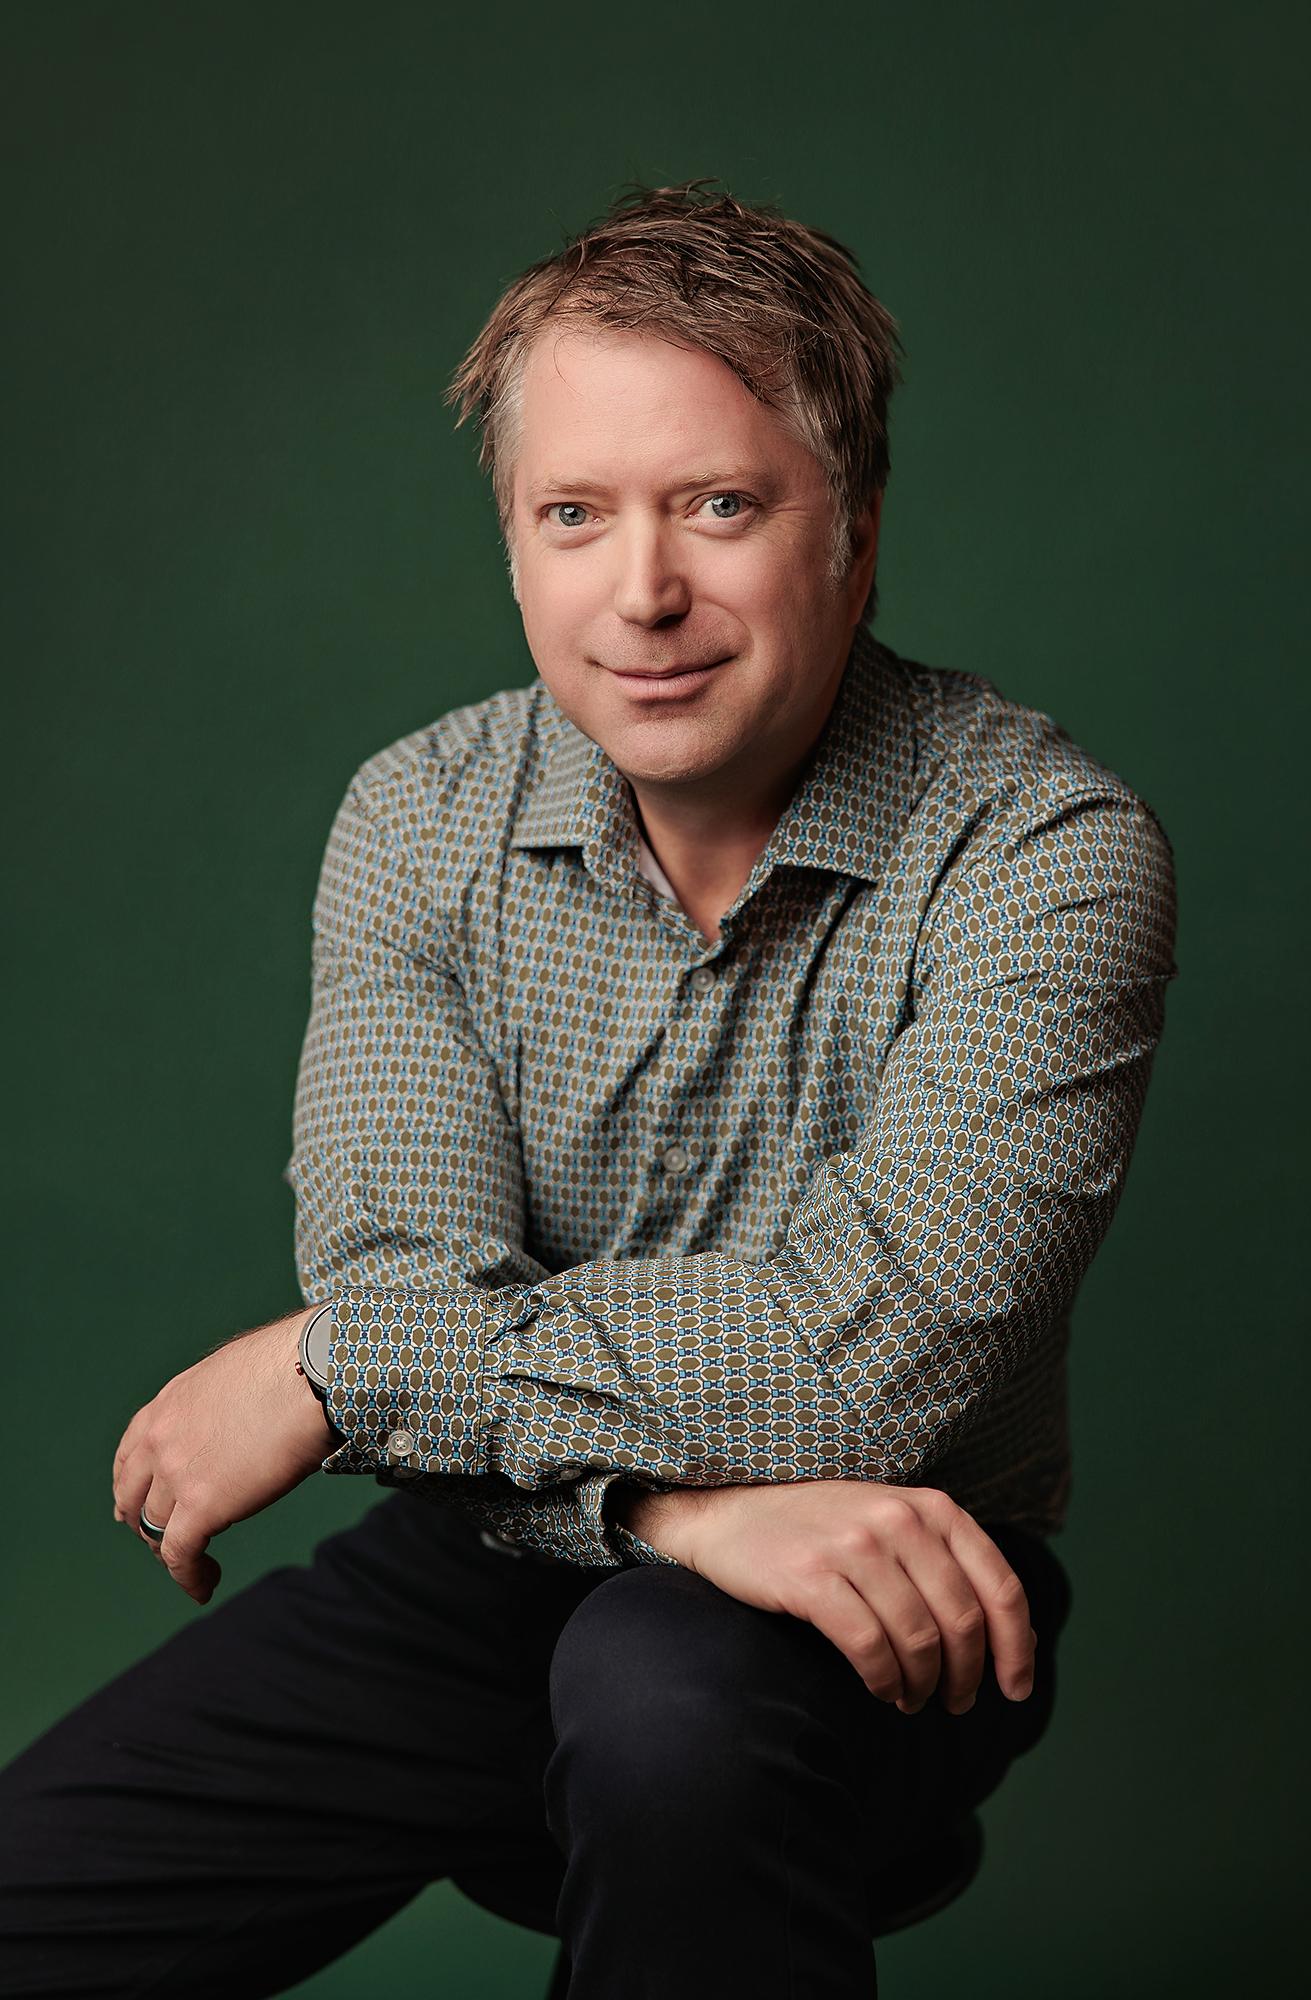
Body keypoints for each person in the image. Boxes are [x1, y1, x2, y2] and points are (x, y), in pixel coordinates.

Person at [0, 181, 1177, 1998]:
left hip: (894, 1595)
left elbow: (876, 1356)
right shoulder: (418, 819)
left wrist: (333, 1364)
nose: (642, 593)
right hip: (490, 1558)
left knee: (655, 1691)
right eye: (573, 516)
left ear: (852, 534)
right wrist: (669, 1507)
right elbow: (403, 1266)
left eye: (719, 506)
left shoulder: (1045, 849)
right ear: (513, 545)